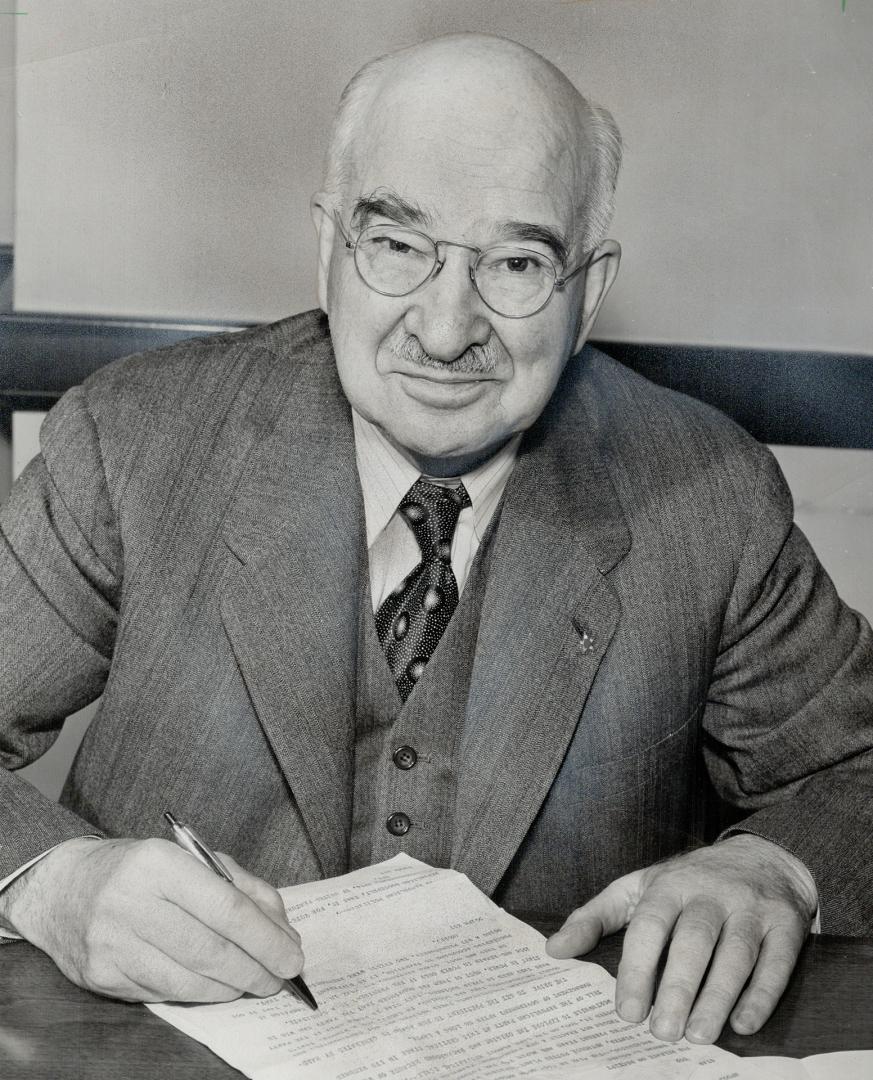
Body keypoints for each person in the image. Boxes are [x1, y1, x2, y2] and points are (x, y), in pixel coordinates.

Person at [0, 32, 871, 1048]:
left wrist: (777, 867)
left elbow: (855, 770)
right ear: (327, 248)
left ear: (588, 292)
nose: (448, 327)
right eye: (399, 243)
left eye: (516, 261)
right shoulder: (138, 442)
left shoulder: (708, 495)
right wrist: (46, 880)